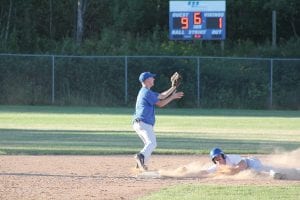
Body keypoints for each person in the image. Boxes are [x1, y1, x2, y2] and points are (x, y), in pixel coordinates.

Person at [133, 72, 184, 171]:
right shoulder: (146, 92)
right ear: (147, 80)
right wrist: (173, 97)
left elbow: (162, 96)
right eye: (152, 78)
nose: (154, 79)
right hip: (143, 122)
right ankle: (140, 157)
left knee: (149, 144)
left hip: (139, 123)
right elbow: (160, 103)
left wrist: (173, 87)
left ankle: (140, 166)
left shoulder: (146, 91)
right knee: (152, 143)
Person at [158, 147, 286, 179]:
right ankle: (275, 172)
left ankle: (275, 173)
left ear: (223, 155)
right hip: (247, 167)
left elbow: (243, 165)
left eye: (219, 157)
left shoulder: (232, 158)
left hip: (251, 162)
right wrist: (188, 171)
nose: (218, 160)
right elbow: (205, 172)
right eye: (216, 159)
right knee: (254, 174)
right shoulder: (217, 166)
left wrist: (233, 170)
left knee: (255, 171)